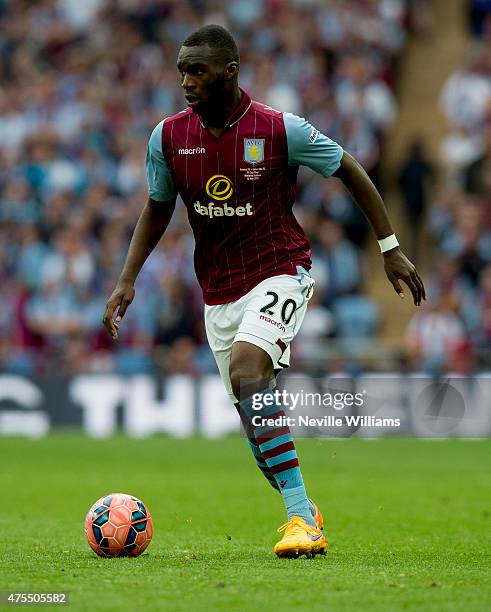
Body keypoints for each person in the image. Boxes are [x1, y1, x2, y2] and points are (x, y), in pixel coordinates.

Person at [103, 25, 426, 559]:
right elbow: (159, 207)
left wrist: (389, 245)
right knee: (256, 429)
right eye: (182, 69)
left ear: (230, 72)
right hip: (218, 293)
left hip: (280, 270)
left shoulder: (278, 129)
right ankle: (304, 506)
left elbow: (348, 168)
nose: (186, 80)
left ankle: (302, 521)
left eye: (198, 70)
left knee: (250, 368)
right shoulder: (167, 137)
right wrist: (126, 278)